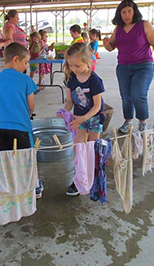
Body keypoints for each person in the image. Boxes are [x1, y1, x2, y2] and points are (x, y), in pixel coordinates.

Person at [0, 42, 43, 198]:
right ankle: (34, 187)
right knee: (27, 158)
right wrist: (29, 112)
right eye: (25, 63)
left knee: (7, 159)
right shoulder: (25, 80)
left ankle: (11, 186)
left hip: (1, 129)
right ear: (16, 59)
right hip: (22, 128)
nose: (26, 67)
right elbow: (31, 105)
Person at [103, 0, 154, 134]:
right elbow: (111, 47)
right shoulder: (118, 29)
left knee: (138, 95)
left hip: (143, 66)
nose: (126, 15)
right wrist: (106, 44)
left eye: (129, 11)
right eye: (123, 12)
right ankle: (128, 122)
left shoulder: (144, 25)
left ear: (134, 11)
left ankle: (142, 123)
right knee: (126, 97)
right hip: (123, 67)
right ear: (120, 14)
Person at [62, 42, 105, 196]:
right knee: (78, 149)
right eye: (71, 65)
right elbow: (70, 101)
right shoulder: (70, 78)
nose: (73, 69)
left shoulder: (94, 80)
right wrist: (64, 111)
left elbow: (97, 106)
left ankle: (94, 178)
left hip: (93, 118)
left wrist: (82, 118)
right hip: (78, 119)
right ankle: (79, 179)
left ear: (88, 62)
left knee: (93, 150)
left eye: (77, 66)